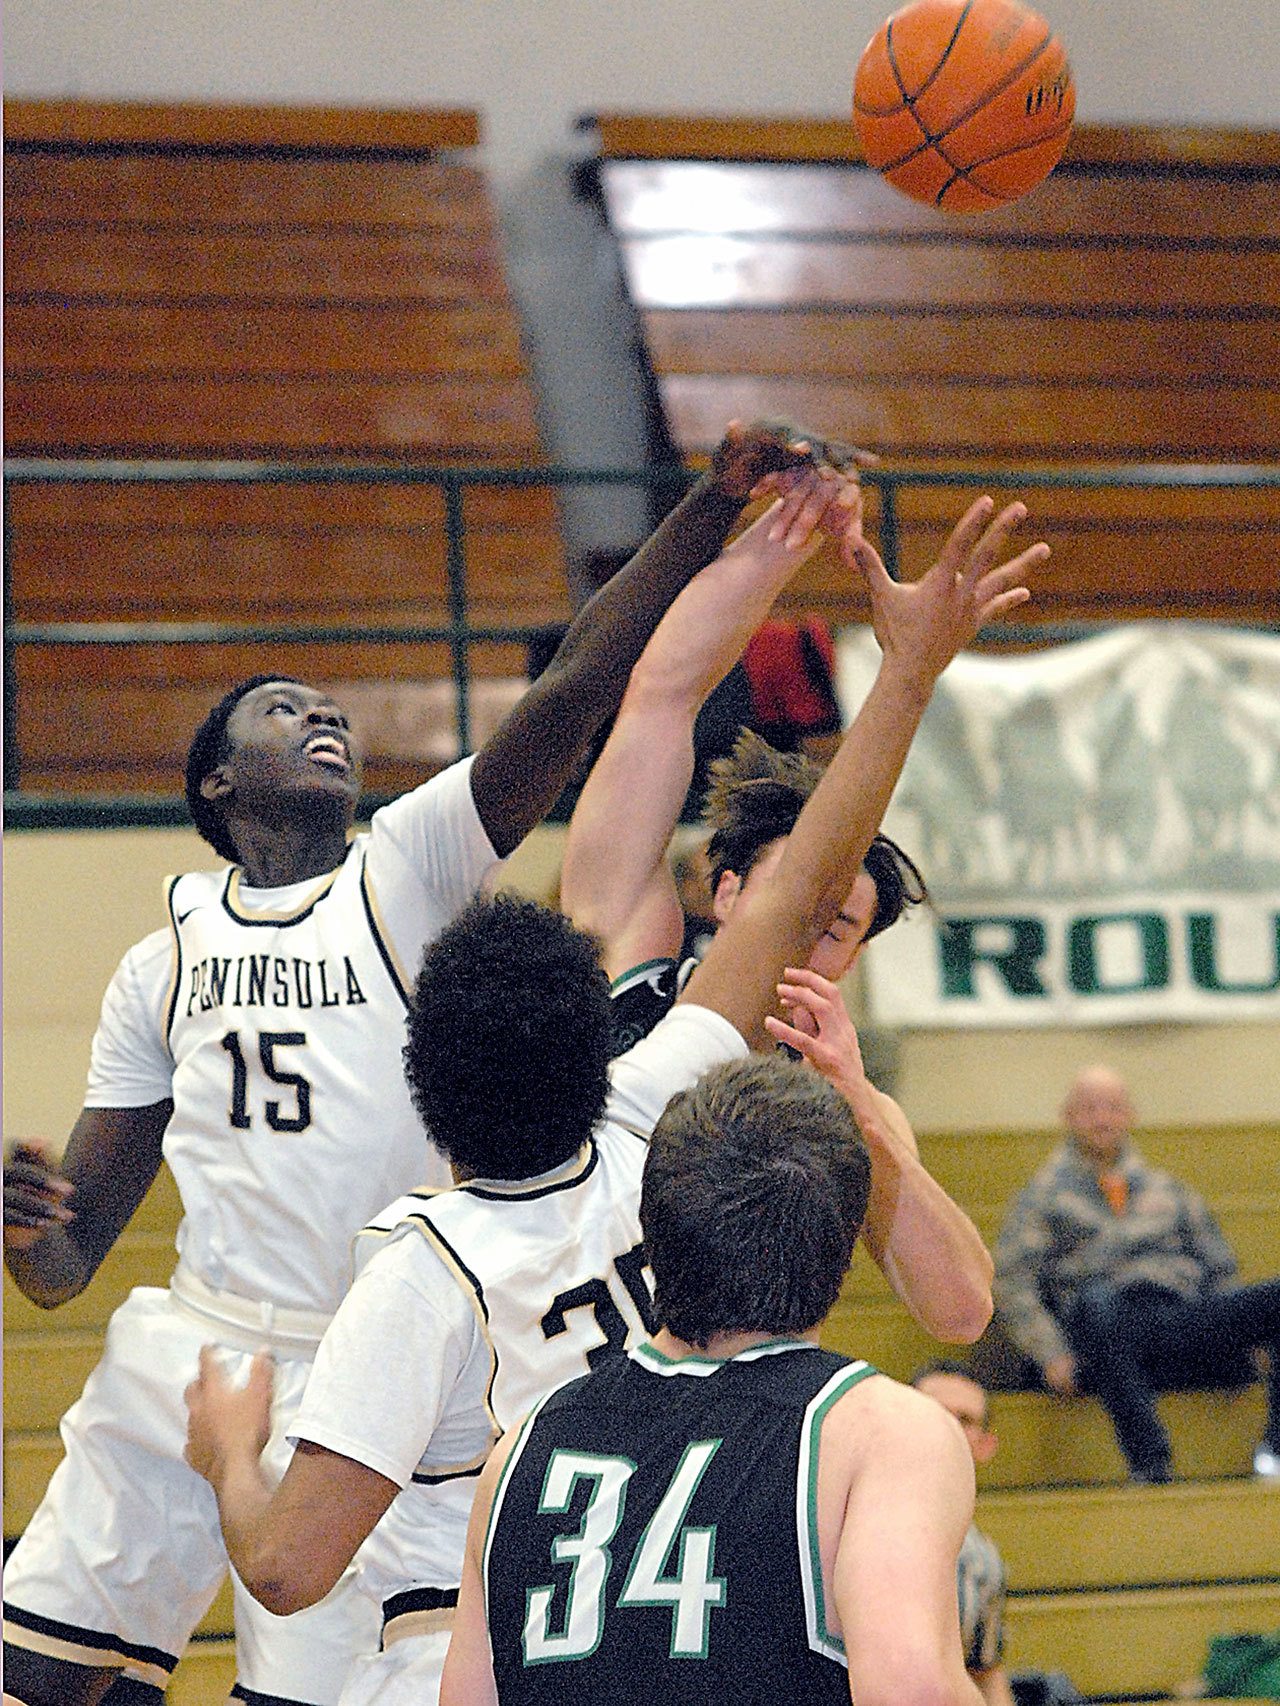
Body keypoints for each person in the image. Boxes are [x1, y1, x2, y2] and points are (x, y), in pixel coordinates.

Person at [1, 418, 839, 1706]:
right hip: (198, 1345)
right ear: (218, 782)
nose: (321, 713)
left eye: (329, 704)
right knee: (38, 1676)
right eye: (284, 709)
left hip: (372, 1361)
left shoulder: (404, 867)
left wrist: (698, 510)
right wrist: (23, 1227)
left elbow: (567, 695)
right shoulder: (155, 961)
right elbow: (64, 1270)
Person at [182, 491, 1045, 1705]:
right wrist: (903, 669)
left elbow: (283, 1563)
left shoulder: (433, 1259)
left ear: (428, 1078)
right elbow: (757, 832)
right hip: (686, 1568)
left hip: (481, 1617)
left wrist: (227, 1451)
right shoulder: (652, 1084)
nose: (820, 935)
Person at [561, 483, 993, 1346]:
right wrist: (777, 541)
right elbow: (658, 701)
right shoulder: (635, 977)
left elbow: (961, 1313)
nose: (804, 924)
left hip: (734, 1434)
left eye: (838, 929)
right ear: (723, 896)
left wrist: (859, 1105)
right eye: (792, 896)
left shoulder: (848, 1098)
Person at [440, 1054, 984, 1706]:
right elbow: (912, 1690)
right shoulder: (878, 1430)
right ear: (846, 1242)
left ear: (651, 1224)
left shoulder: (520, 1449)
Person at [992, 1063, 1280, 1484]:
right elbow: (1013, 1280)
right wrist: (1051, 1351)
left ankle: (1274, 1451)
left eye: (1112, 1107)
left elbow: (1218, 1266)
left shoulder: (1170, 1190)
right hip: (1100, 1337)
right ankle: (1150, 1461)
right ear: (1068, 1117)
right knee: (1095, 1301)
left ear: (1130, 1115)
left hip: (1180, 1323)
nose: (1102, 1118)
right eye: (1089, 1108)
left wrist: (1239, 1337)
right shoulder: (1041, 1198)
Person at [913, 1362, 1017, 1706]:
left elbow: (985, 1672)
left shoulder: (983, 1561)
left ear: (986, 1446)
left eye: (964, 1420)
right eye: (932, 1412)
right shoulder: (841, 1523)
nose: (947, 1428)